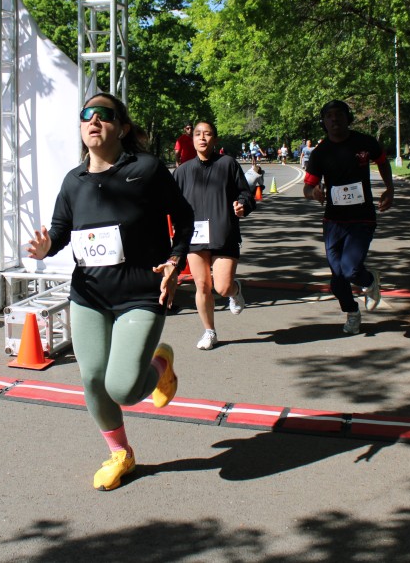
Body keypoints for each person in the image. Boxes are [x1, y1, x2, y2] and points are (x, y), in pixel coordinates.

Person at [26, 93, 193, 492]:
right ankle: (121, 453)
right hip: (90, 294)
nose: (94, 121)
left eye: (104, 115)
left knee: (124, 389)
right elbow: (62, 230)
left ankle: (160, 364)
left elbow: (184, 216)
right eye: (87, 115)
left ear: (122, 127)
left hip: (141, 292)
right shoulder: (74, 181)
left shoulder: (146, 169)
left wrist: (175, 261)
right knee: (93, 378)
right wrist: (48, 246)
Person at [303, 100, 393, 335]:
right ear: (324, 122)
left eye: (339, 114)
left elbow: (382, 161)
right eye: (329, 116)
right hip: (334, 220)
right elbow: (307, 187)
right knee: (337, 280)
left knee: (350, 270)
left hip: (362, 217)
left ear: (348, 117)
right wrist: (314, 193)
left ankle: (369, 280)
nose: (334, 119)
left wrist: (389, 188)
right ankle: (352, 313)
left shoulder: (364, 142)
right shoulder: (320, 153)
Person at [174, 119, 254, 350]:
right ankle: (210, 332)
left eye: (207, 134)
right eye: (198, 133)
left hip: (223, 232)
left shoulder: (228, 164)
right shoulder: (182, 171)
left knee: (222, 287)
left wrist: (242, 205)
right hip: (195, 236)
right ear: (192, 139)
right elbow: (171, 203)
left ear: (215, 139)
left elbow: (245, 193)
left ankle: (235, 290)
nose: (202, 137)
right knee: (202, 285)